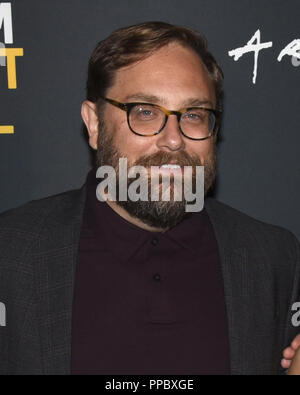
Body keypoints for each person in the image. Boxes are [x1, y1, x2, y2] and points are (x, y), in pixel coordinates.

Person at [0, 21, 299, 375]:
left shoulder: (274, 258)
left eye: (193, 115)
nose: (173, 140)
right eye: (145, 111)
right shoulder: (11, 252)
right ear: (95, 124)